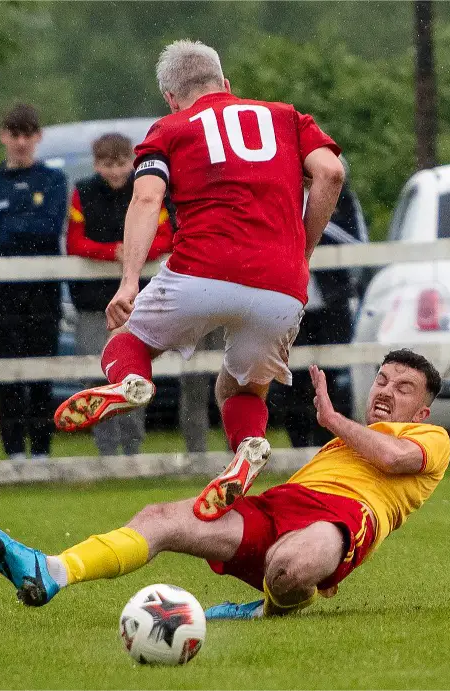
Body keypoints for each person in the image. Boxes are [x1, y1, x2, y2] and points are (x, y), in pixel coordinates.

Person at [53, 40, 345, 521]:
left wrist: (128, 283)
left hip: (202, 270)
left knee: (128, 341)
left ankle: (132, 381)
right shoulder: (286, 117)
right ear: (226, 85)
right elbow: (330, 173)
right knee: (241, 390)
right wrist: (302, 251)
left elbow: (146, 201)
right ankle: (248, 447)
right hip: (280, 284)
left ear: (171, 97)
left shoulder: (168, 128)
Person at [0, 349, 450, 620]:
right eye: (382, 381)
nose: (386, 391)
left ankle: (275, 602)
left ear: (422, 411)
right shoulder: (347, 444)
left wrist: (332, 418)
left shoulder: (431, 438)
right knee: (160, 518)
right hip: (280, 506)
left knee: (289, 569)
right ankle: (51, 571)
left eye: (402, 388)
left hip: (345, 518)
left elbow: (391, 458)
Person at [66, 133, 173, 456]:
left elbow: (166, 237)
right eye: (107, 164)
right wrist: (111, 251)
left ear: (132, 161)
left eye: (122, 163)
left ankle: (133, 449)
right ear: (97, 164)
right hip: (92, 302)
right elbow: (74, 243)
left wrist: (136, 253)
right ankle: (106, 451)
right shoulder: (82, 192)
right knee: (96, 379)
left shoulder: (145, 189)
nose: (115, 171)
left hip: (135, 303)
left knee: (132, 379)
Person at [0, 104, 67, 460]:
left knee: (43, 368)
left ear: (38, 136)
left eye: (28, 134)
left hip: (43, 289)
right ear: (3, 137)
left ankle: (42, 450)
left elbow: (48, 229)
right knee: (9, 369)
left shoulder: (53, 180)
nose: (21, 142)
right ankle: (13, 451)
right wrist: (24, 225)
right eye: (15, 134)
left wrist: (10, 226)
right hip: (4, 292)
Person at [275, 171, 369, 448]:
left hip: (332, 305)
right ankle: (299, 450)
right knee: (291, 381)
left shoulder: (342, 197)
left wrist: (315, 221)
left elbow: (358, 243)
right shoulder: (278, 195)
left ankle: (333, 446)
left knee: (333, 379)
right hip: (288, 306)